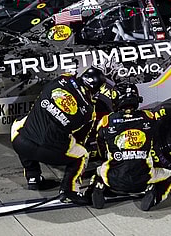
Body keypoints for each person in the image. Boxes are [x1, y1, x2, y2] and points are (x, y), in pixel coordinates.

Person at [10, 67, 107, 205]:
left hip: (22, 144)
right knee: (82, 154)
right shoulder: (89, 112)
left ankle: (33, 177)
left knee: (19, 124)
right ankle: (69, 191)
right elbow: (81, 140)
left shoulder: (63, 79)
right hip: (52, 154)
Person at [87, 83, 171, 211]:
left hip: (113, 179)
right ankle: (155, 195)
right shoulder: (149, 117)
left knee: (98, 172)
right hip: (143, 180)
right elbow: (157, 143)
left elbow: (101, 150)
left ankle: (98, 186)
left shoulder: (105, 121)